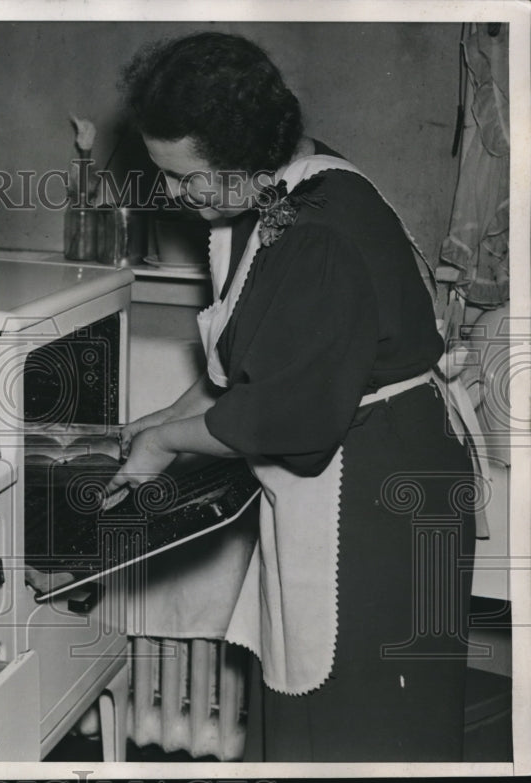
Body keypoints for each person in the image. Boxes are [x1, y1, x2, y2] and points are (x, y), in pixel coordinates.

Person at [107, 32, 478, 762]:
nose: (173, 195)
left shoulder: (318, 231)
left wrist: (163, 442)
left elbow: (289, 416)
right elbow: (262, 356)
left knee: (364, 722)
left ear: (244, 154)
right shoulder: (287, 183)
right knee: (326, 717)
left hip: (381, 500)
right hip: (367, 470)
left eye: (185, 178)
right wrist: (162, 418)